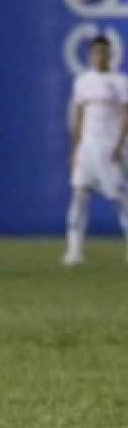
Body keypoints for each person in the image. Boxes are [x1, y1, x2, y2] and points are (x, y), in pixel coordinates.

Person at [62, 33, 128, 266]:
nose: (99, 56)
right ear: (90, 55)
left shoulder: (120, 81)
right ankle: (74, 251)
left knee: (120, 197)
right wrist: (75, 148)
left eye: (103, 52)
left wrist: (120, 145)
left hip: (109, 145)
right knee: (79, 194)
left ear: (110, 54)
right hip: (87, 146)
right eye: (95, 52)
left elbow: (126, 114)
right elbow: (78, 115)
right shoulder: (82, 81)